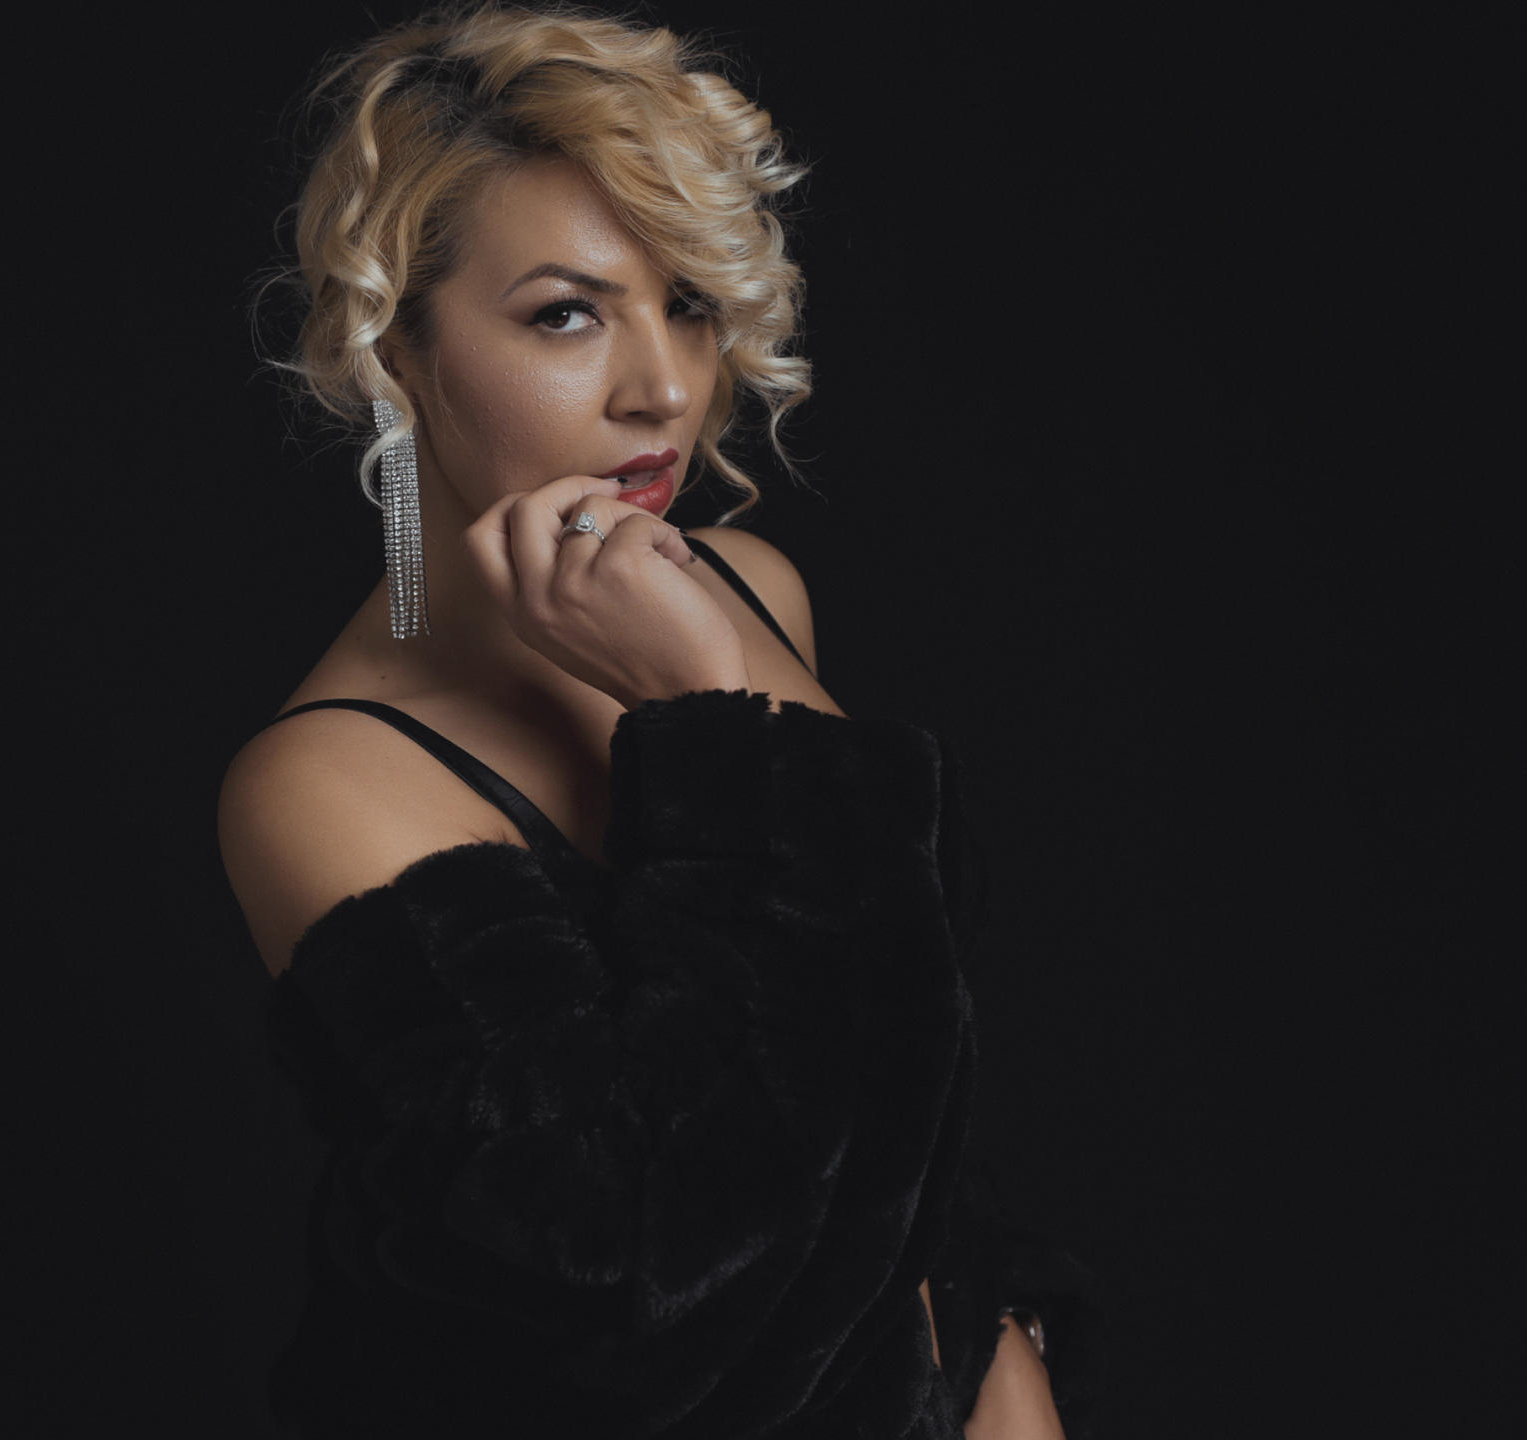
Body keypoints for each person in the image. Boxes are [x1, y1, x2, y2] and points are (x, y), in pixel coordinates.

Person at [220, 6, 1075, 1435]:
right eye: (566, 312)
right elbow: (645, 1272)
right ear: (396, 353)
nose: (665, 388)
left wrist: (993, 1349)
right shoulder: (325, 781)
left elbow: (887, 1040)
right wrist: (704, 710)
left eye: (684, 301)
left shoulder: (744, 588)